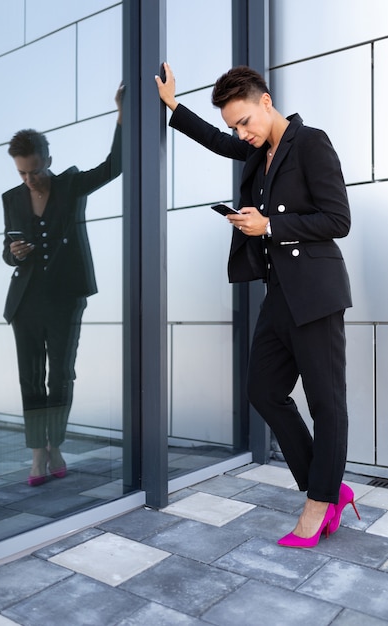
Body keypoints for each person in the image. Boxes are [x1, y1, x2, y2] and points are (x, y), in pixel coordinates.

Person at [155, 63, 360, 548]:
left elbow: (338, 219)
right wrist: (173, 106)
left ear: (266, 101)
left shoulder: (311, 143)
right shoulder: (256, 151)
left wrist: (268, 225)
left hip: (317, 293)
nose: (240, 133)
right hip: (280, 295)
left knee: (326, 404)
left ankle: (317, 503)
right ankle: (328, 487)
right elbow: (218, 140)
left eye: (245, 121)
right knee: (263, 390)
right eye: (234, 126)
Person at [2, 84, 124, 486]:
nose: (29, 178)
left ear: (48, 160)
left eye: (35, 169)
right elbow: (8, 249)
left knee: (62, 375)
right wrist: (14, 252)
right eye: (22, 171)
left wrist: (122, 115)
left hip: (66, 297)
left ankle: (56, 442)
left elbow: (115, 165)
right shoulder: (12, 197)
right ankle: (40, 452)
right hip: (26, 300)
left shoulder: (70, 185)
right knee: (30, 376)